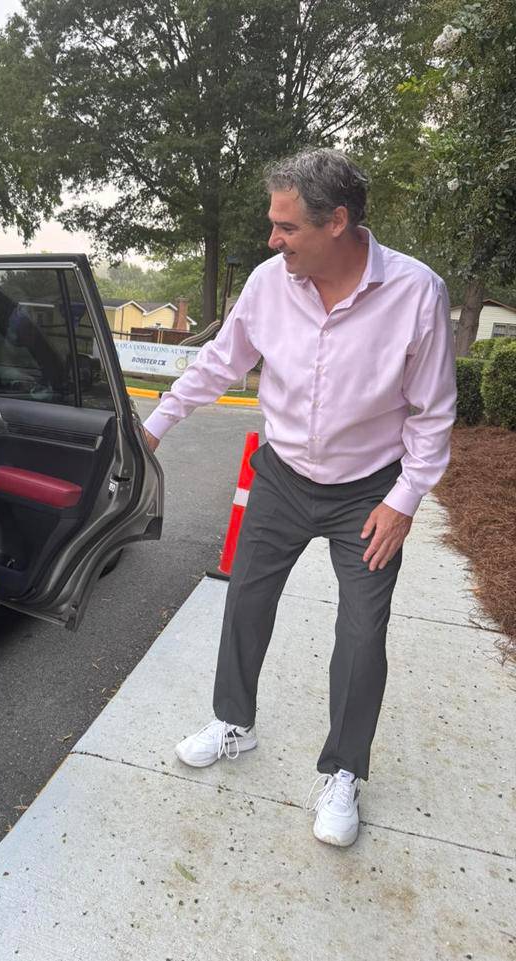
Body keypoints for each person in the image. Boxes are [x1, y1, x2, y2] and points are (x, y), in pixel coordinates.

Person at [143, 148, 456, 847]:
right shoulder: (267, 283)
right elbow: (221, 360)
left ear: (336, 222)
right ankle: (234, 722)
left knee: (362, 630)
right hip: (282, 476)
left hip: (369, 492)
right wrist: (155, 426)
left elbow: (432, 413)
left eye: (285, 226)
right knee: (246, 598)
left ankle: (344, 768)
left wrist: (405, 499)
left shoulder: (417, 293)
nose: (272, 239)